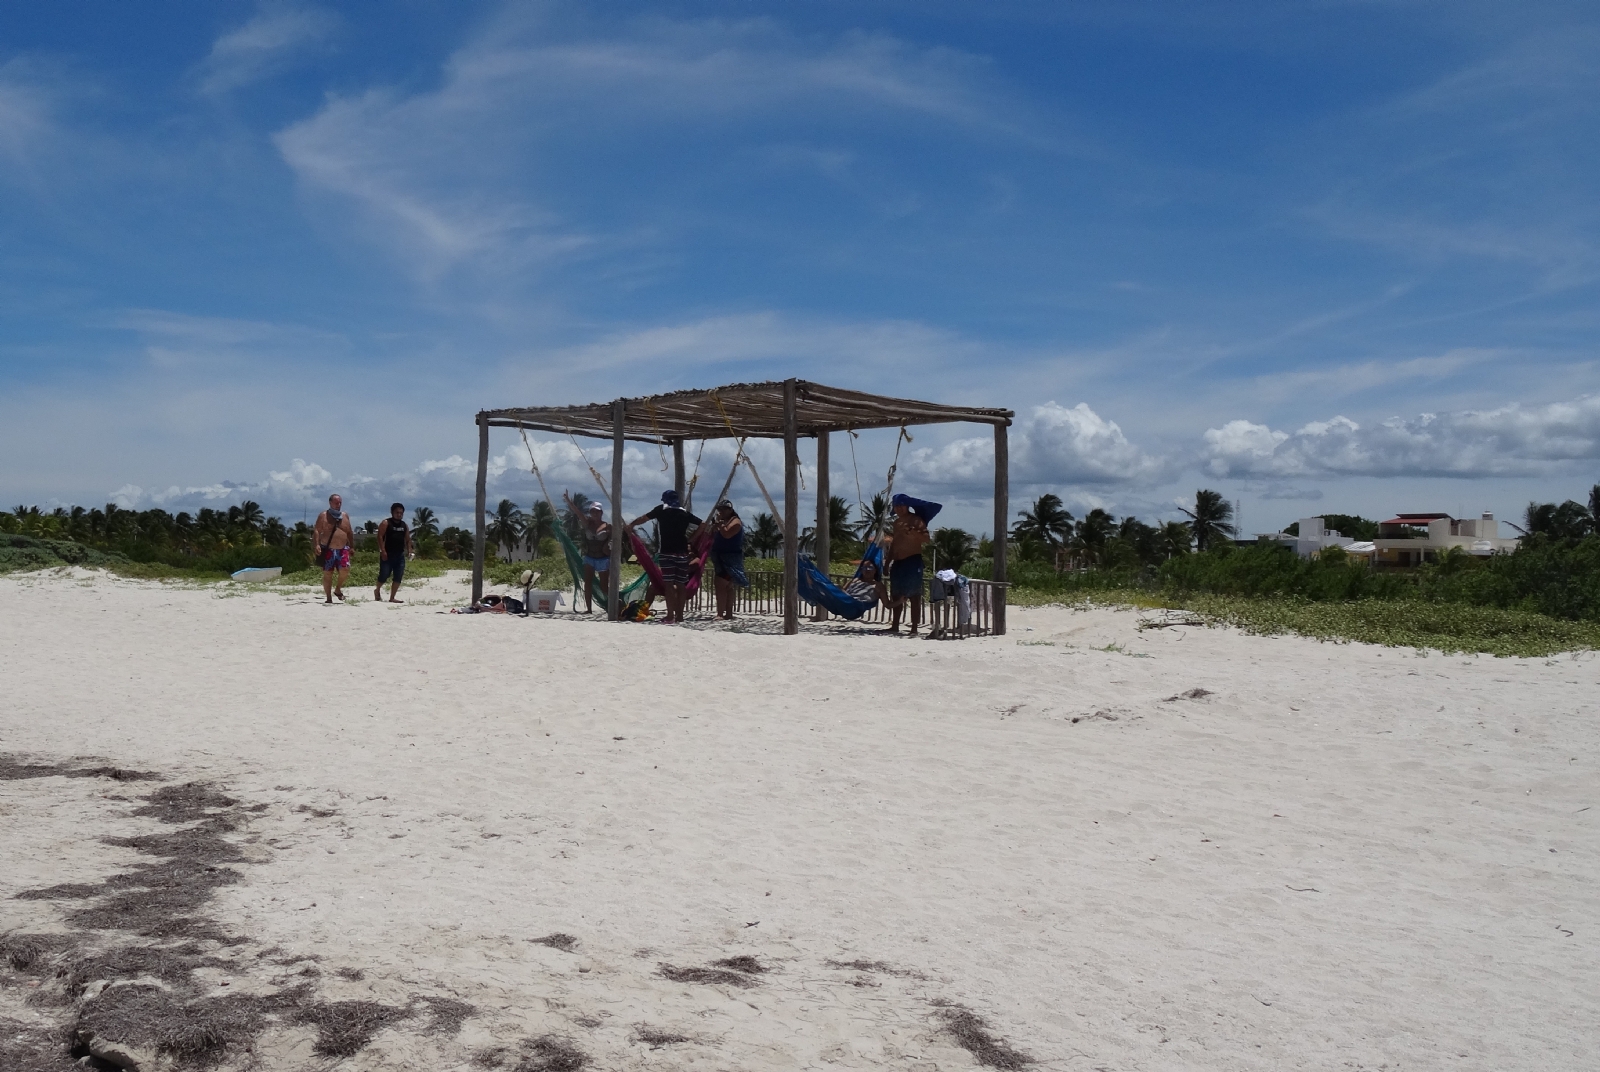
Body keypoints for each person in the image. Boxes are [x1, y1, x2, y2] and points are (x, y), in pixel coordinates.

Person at [627, 490, 703, 624]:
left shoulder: (661, 510)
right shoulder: (684, 513)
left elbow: (643, 518)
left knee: (668, 584)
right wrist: (692, 539)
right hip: (682, 553)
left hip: (667, 553)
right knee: (680, 585)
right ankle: (679, 616)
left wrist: (631, 525)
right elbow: (703, 525)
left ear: (665, 500)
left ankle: (670, 615)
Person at [886, 493, 934, 634]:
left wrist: (914, 533)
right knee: (896, 594)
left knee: (914, 596)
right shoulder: (896, 523)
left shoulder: (916, 520)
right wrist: (887, 562)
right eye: (897, 506)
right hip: (898, 562)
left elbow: (926, 539)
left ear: (907, 506)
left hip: (912, 561)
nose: (899, 508)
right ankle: (895, 625)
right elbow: (894, 544)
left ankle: (914, 627)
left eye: (901, 505)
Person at [709, 499, 747, 620]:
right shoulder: (724, 521)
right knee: (727, 586)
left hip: (730, 558)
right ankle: (728, 614)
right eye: (719, 509)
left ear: (730, 510)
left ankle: (721, 613)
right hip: (720, 556)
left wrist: (720, 524)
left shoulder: (735, 522)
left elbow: (727, 534)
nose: (721, 512)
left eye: (723, 509)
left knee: (721, 584)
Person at [313, 493, 355, 604]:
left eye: (340, 502)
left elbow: (349, 531)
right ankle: (328, 597)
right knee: (328, 573)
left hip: (342, 548)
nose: (338, 504)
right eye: (336, 502)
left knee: (345, 570)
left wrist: (352, 546)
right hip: (328, 549)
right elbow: (317, 530)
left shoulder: (345, 515)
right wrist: (316, 544)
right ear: (330, 503)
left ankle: (337, 589)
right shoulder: (323, 515)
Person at [374, 502, 413, 604]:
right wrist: (382, 551)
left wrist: (410, 550)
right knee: (384, 575)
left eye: (401, 513)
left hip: (399, 555)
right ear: (392, 512)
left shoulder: (404, 525)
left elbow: (408, 539)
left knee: (398, 576)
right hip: (387, 554)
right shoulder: (386, 523)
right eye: (397, 512)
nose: (399, 514)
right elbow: (379, 537)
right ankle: (377, 590)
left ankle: (392, 597)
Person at [578, 500, 611, 614]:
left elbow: (615, 540)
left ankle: (611, 606)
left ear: (601, 512)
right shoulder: (587, 524)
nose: (594, 514)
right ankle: (589, 609)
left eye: (597, 512)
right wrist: (569, 501)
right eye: (592, 512)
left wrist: (607, 547)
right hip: (590, 557)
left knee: (604, 586)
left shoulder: (607, 526)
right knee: (587, 583)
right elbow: (578, 513)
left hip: (603, 559)